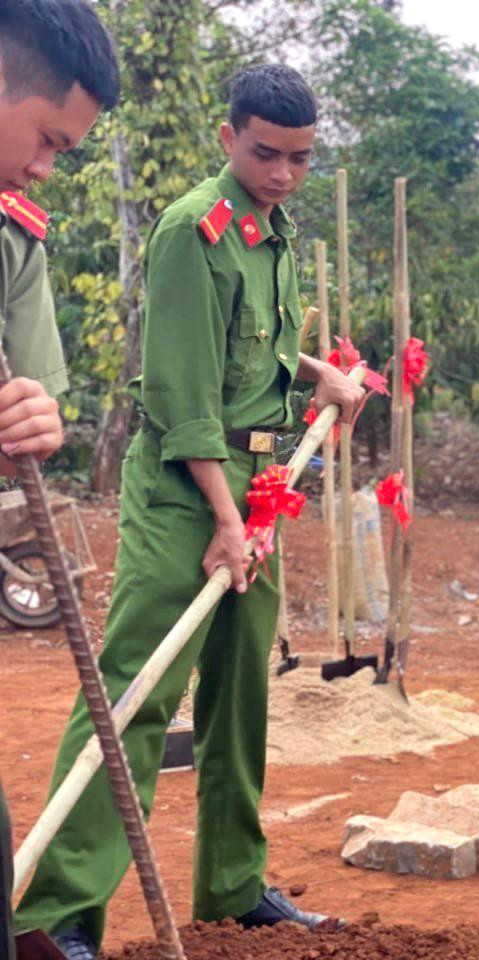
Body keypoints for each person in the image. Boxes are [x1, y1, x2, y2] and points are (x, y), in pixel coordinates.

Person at [15, 65, 365, 960]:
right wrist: (221, 521)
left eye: (299, 159)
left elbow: (257, 356)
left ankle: (234, 888)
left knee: (241, 690)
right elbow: (185, 395)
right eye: (264, 154)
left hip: (260, 490)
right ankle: (56, 916)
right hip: (186, 493)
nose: (284, 173)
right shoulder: (190, 232)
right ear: (226, 137)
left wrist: (312, 373)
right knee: (136, 691)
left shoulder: (272, 232)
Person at [0, 3, 119, 958]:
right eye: (47, 138)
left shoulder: (13, 236)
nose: (47, 166)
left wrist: (33, 422)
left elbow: (39, 409)